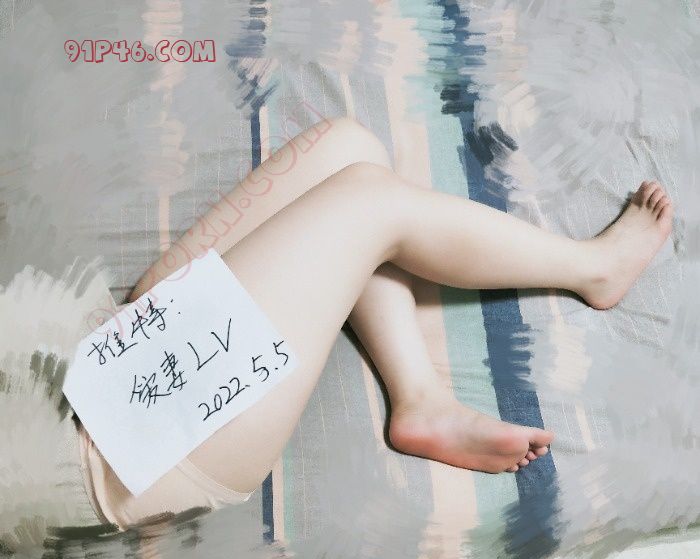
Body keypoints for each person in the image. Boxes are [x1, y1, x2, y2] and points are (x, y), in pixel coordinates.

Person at [72, 117, 673, 530]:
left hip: (100, 349)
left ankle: (421, 400)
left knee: (349, 150)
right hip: (115, 445)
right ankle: (594, 269)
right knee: (370, 200)